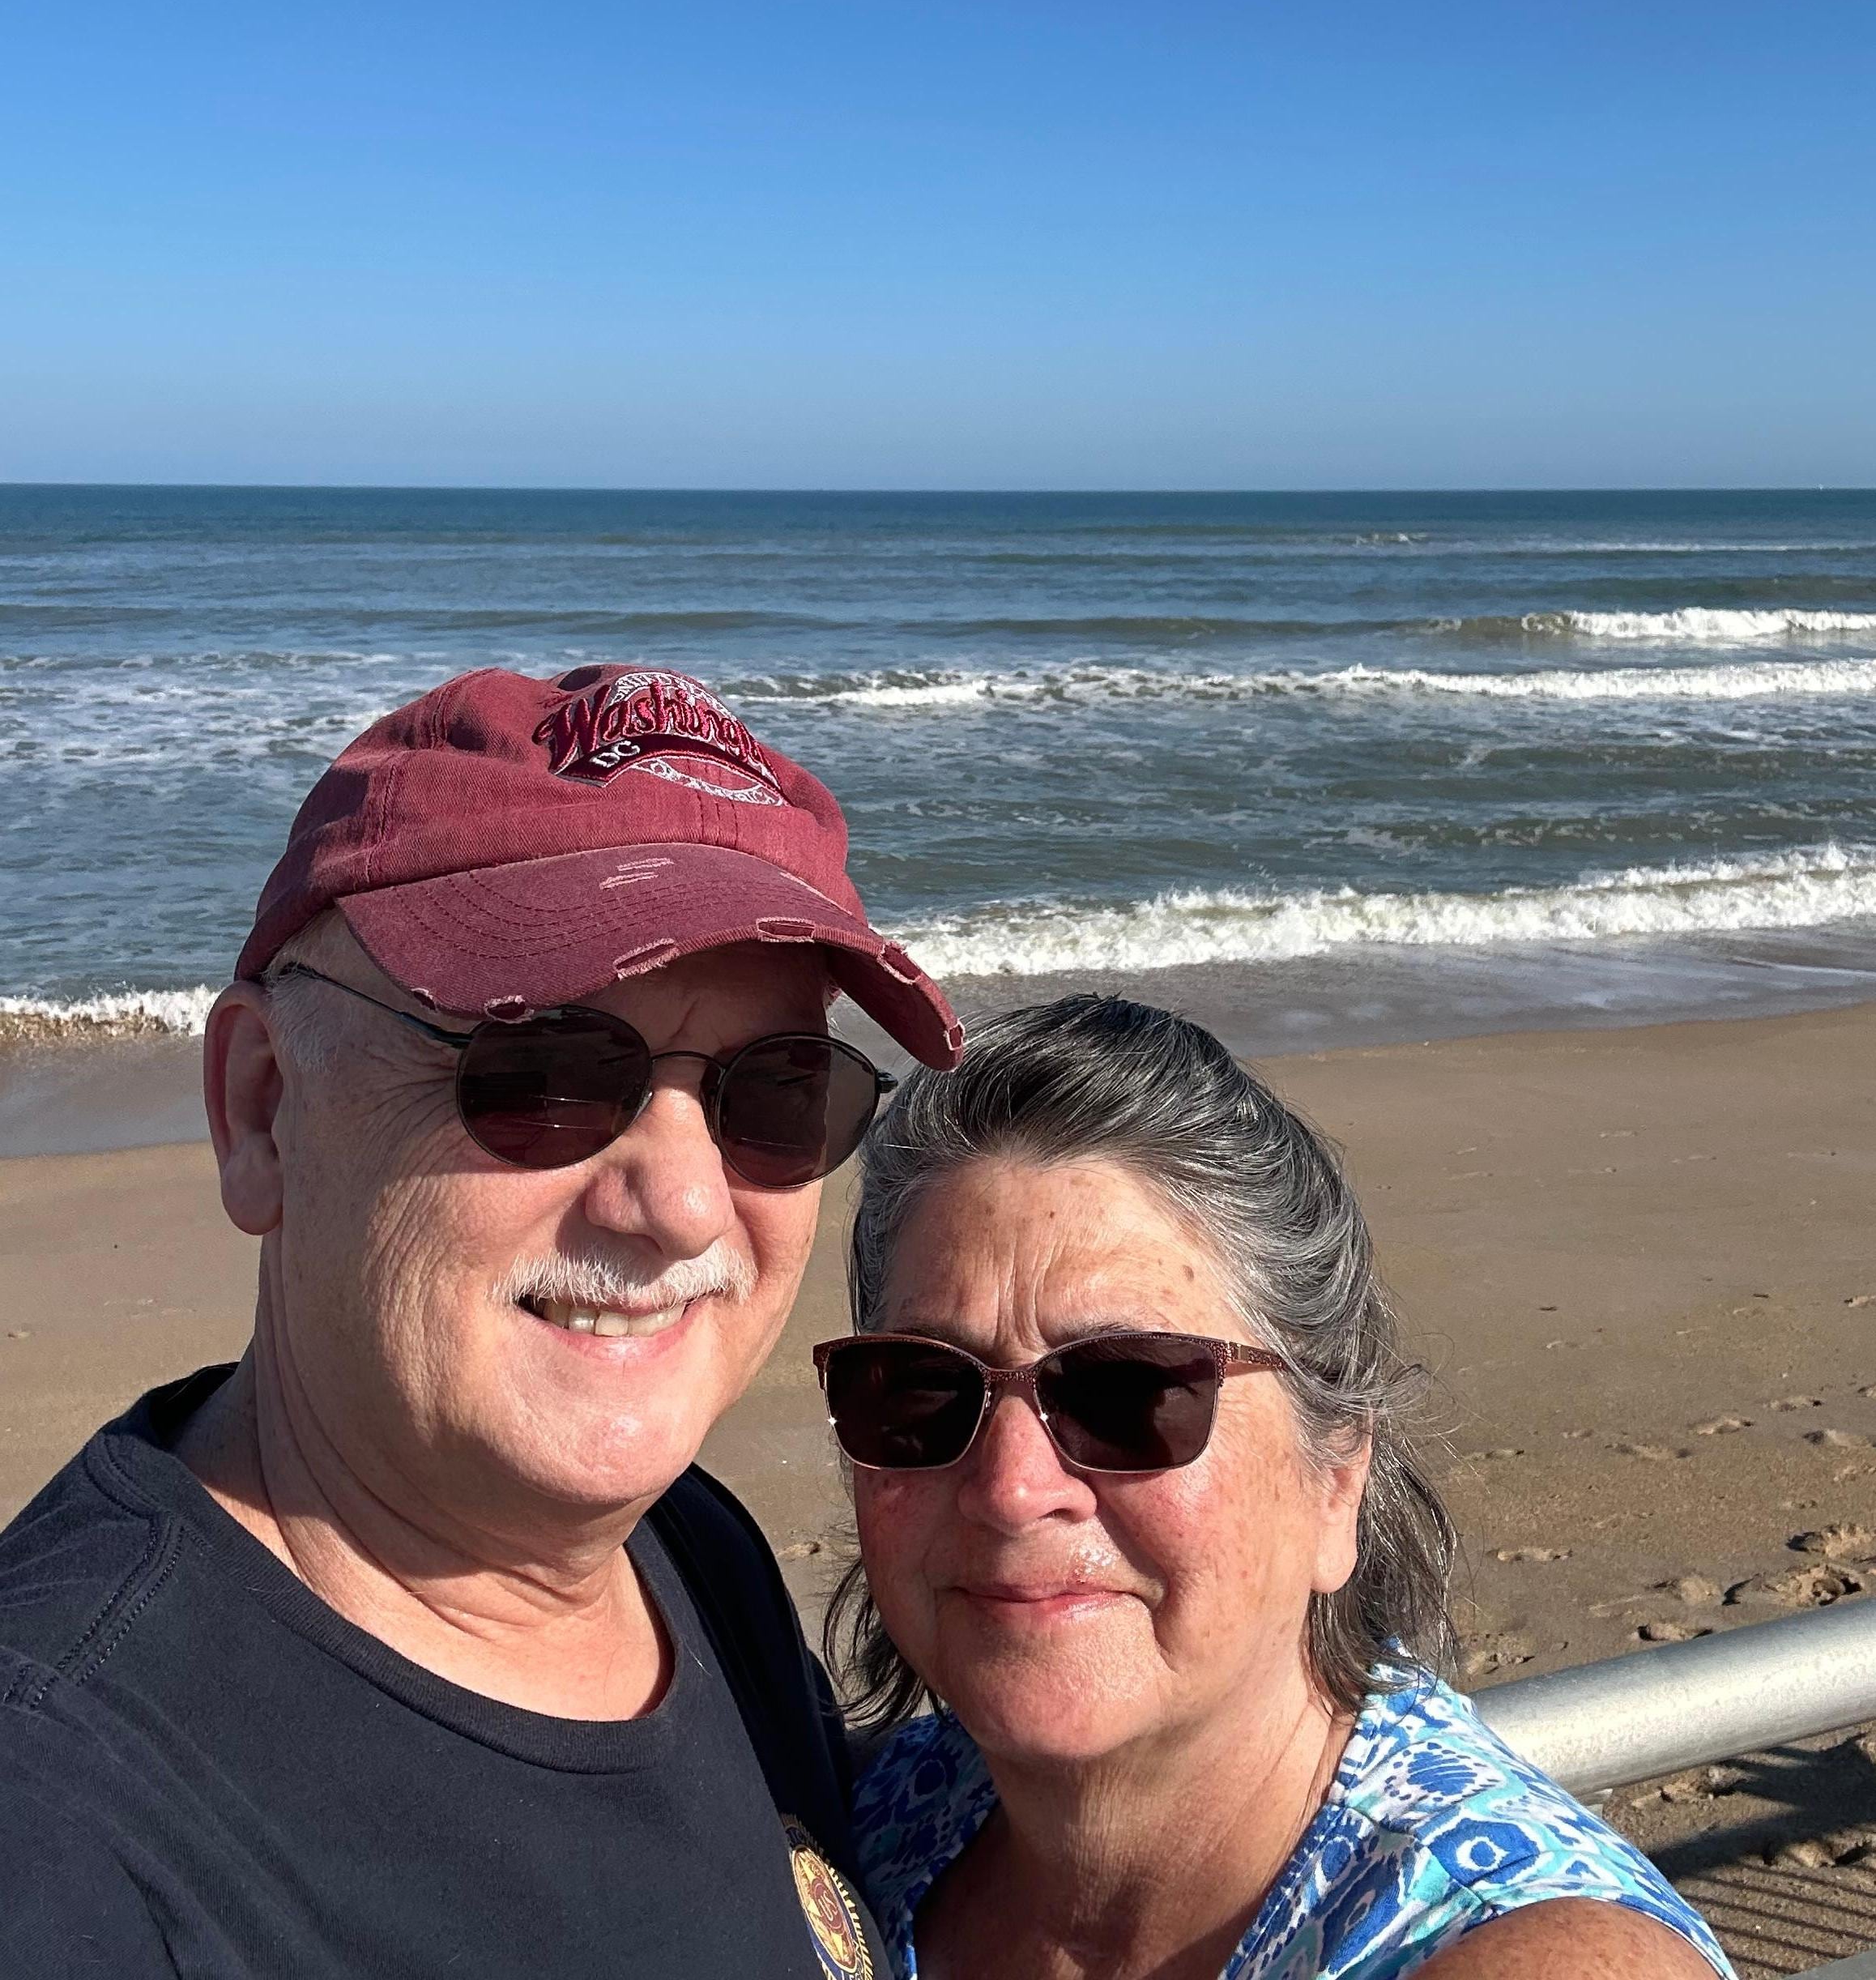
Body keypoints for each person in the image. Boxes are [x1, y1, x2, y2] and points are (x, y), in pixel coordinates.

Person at [0, 664, 961, 1978]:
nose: (682, 1202)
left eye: (777, 1090)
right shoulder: (64, 1829)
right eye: (549, 1070)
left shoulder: (692, 1547)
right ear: (264, 1108)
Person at [818, 996, 1732, 1980]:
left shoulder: (1519, 1952)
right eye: (922, 1389)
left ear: (1336, 1473)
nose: (1009, 1487)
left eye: (1127, 1391)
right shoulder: (849, 1836)